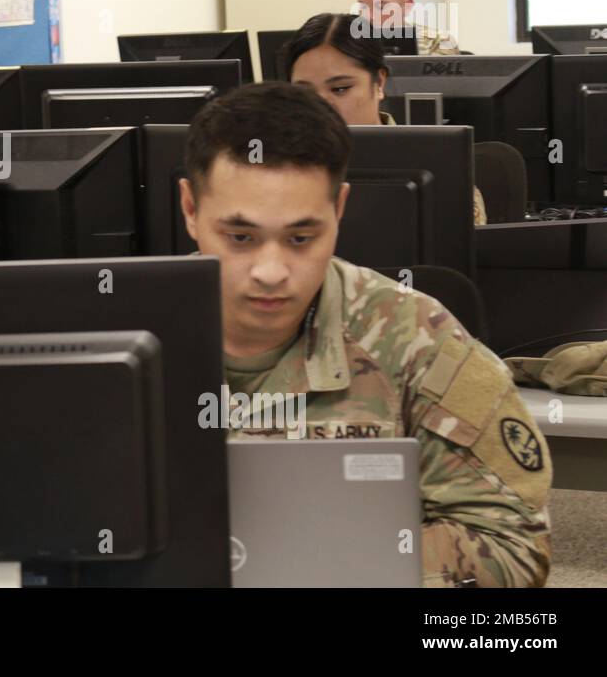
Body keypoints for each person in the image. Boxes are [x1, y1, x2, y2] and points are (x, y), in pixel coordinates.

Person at [178, 82, 550, 587]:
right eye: (241, 237)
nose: (270, 271)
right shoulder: (117, 340)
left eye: (301, 238)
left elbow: (513, 544)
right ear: (190, 209)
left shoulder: (415, 338)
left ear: (341, 210)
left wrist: (336, 569)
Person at [281, 12, 487, 225]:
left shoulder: (438, 169)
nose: (321, 106)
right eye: (305, 93)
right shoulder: (275, 170)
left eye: (340, 89)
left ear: (379, 83)